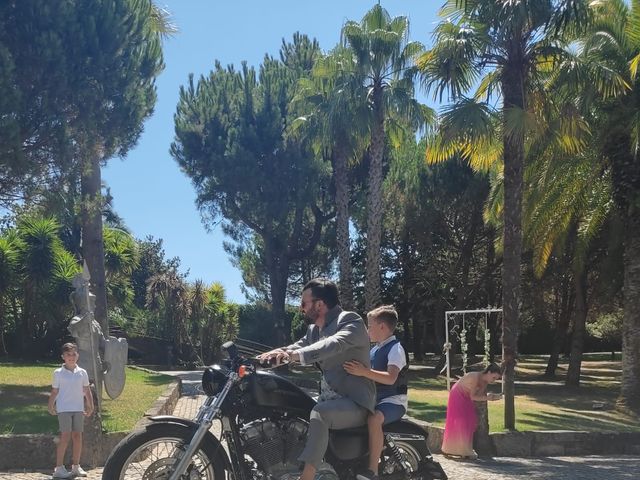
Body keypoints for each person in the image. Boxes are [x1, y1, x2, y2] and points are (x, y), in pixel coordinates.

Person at [258, 278, 376, 480]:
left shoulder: (350, 320)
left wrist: (294, 356)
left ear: (319, 304)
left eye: (304, 303)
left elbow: (333, 344)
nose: (301, 308)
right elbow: (297, 346)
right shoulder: (314, 330)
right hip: (331, 399)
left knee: (319, 414)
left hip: (355, 402)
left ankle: (307, 476)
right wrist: (268, 355)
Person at [343, 305, 408, 480]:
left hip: (393, 400)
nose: (367, 330)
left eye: (369, 325)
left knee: (374, 419)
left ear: (382, 327)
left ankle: (373, 471)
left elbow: (390, 378)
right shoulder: (374, 349)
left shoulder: (396, 348)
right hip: (374, 399)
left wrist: (364, 372)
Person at [48, 342, 94, 478]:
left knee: (77, 436)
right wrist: (50, 405)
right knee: (65, 435)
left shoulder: (82, 372)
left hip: (78, 408)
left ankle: (76, 466)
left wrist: (90, 405)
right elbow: (55, 391)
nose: (71, 357)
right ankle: (59, 468)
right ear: (63, 356)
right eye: (68, 355)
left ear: (77, 355)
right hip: (64, 409)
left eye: (74, 354)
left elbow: (86, 390)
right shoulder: (58, 373)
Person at [440, 363, 503, 459]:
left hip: (466, 398)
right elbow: (473, 396)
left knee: (470, 421)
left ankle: (464, 448)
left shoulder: (484, 382)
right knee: (462, 421)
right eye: (494, 377)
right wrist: (488, 398)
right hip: (458, 395)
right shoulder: (475, 377)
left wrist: (492, 397)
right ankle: (457, 450)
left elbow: (478, 397)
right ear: (489, 372)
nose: (494, 380)